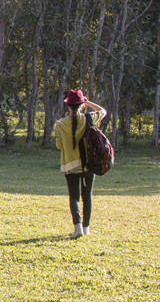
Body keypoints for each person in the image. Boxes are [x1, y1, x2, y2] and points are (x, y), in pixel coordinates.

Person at [53, 89, 106, 239]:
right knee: (87, 196)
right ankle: (86, 228)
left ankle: (77, 229)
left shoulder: (60, 124)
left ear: (68, 106)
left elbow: (59, 145)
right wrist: (87, 101)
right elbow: (103, 111)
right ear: (81, 105)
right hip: (89, 164)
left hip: (69, 165)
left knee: (74, 196)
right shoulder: (89, 118)